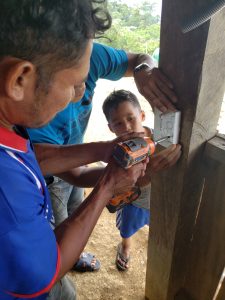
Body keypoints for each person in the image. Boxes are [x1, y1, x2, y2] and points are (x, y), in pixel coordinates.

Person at [0, 1, 148, 299]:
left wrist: (104, 150)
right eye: (73, 85)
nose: (77, 97)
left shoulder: (9, 130)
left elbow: (33, 155)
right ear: (19, 80)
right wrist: (107, 186)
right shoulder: (8, 194)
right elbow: (47, 271)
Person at [28, 42, 179, 271]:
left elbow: (139, 58)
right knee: (61, 232)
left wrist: (142, 70)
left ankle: (75, 254)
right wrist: (112, 177)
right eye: (74, 86)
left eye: (85, 83)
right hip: (51, 177)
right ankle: (70, 258)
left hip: (73, 161)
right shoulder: (33, 127)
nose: (82, 93)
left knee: (75, 205)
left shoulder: (88, 52)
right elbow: (77, 175)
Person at [102, 89, 181, 270]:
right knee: (127, 228)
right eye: (118, 123)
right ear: (110, 128)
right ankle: (125, 246)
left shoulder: (162, 139)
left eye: (131, 118)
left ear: (142, 115)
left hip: (159, 201)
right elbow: (122, 187)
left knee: (160, 227)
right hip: (134, 203)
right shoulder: (119, 154)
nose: (127, 127)